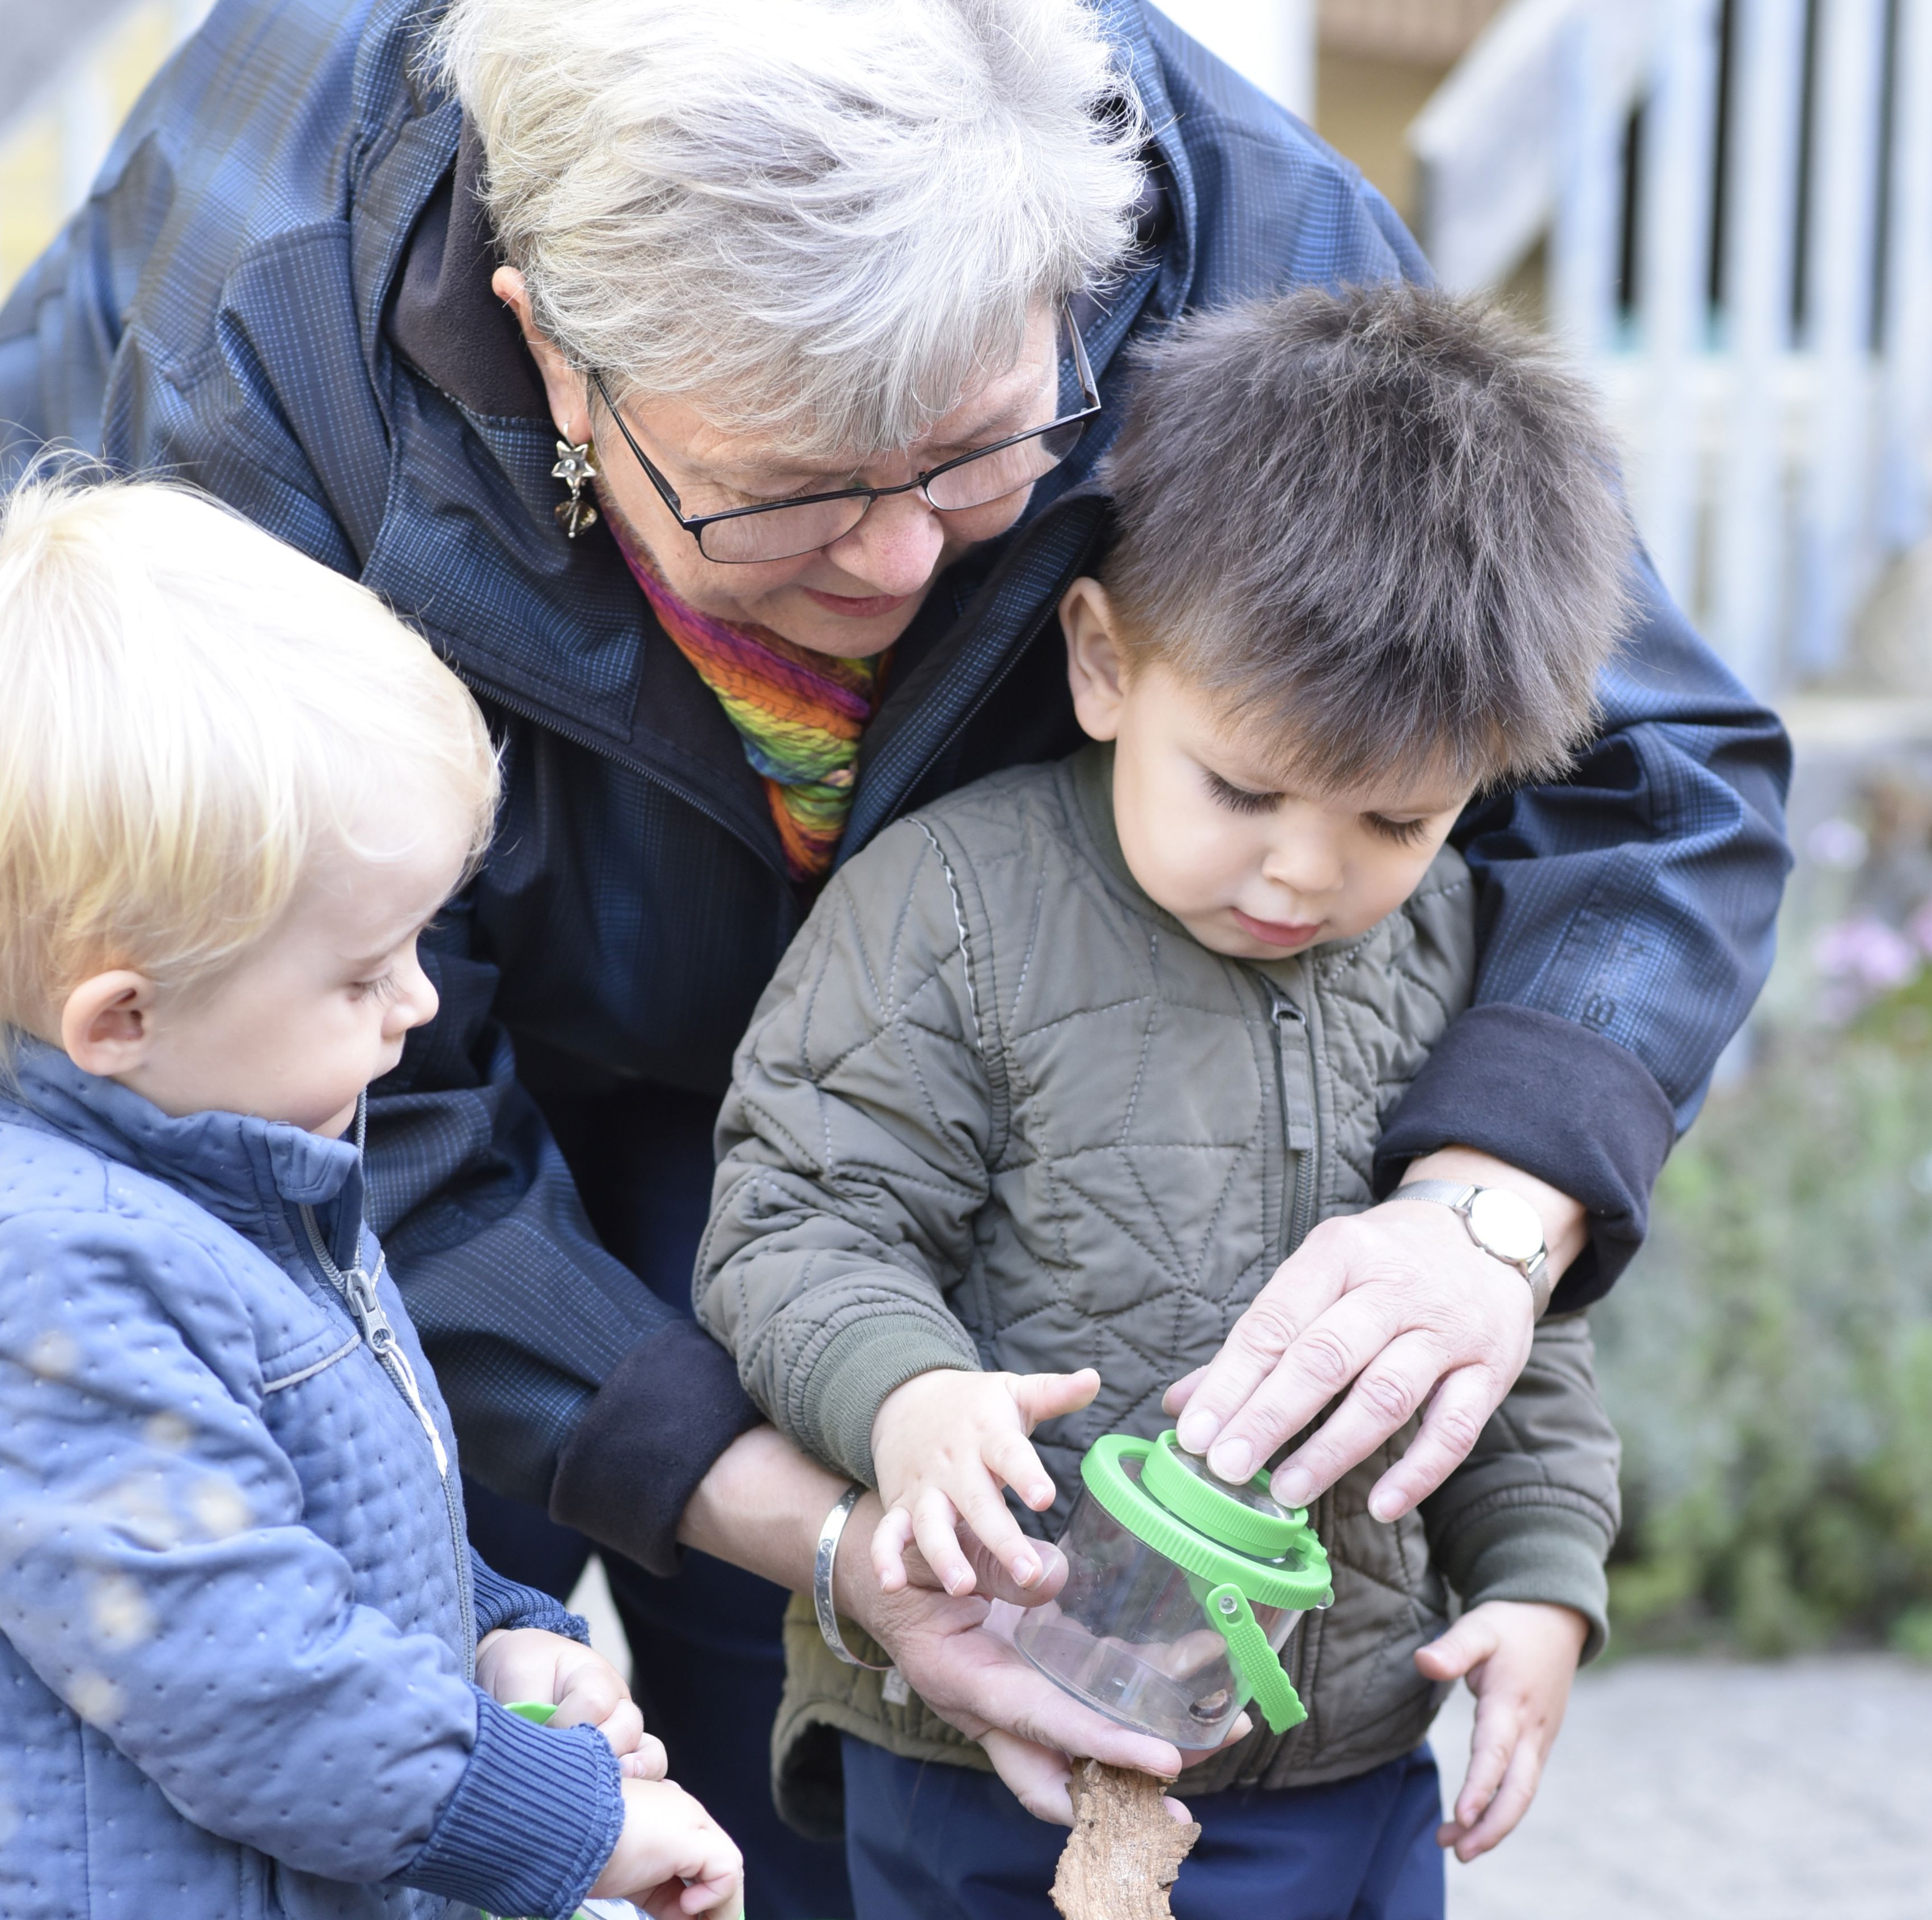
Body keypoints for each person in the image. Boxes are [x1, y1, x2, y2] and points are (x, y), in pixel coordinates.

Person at [0, 0, 1789, 1915]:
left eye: (980, 453)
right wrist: (801, 1522)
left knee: (813, 1753)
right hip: (363, 995)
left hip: (906, 1081)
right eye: (794, 485)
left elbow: (1652, 774)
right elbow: (348, 1107)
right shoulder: (263, 386)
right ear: (554, 350)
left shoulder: (1228, 250)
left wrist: (1478, 1218)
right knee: (396, 1696)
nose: (900, 562)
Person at [697, 285, 1629, 1919]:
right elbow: (796, 1218)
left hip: (1345, 1751)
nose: (1302, 871)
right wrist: (904, 1396)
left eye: (1393, 820)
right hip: (992, 1730)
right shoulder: (951, 908)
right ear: (1104, 661)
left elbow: (1501, 1320)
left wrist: (1542, 1576)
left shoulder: (1448, 941)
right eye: (1244, 788)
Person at [0, 481, 742, 1920]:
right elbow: (252, 1677)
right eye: (362, 973)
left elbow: (302, 1525)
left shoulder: (223, 1172)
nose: (419, 1000)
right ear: (121, 1019)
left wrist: (489, 1635)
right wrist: (571, 1822)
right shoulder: (48, 1282)